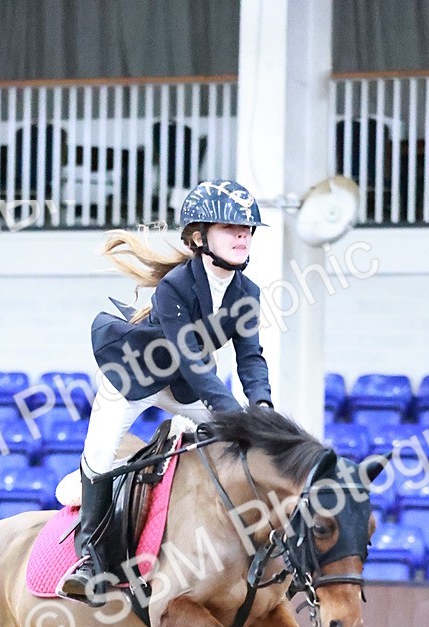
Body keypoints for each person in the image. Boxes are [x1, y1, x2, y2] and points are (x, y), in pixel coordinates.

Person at [58, 178, 274, 600]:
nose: (243, 235)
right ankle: (90, 560)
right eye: (231, 228)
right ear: (199, 237)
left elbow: (250, 357)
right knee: (101, 455)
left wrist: (261, 406)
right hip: (135, 380)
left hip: (185, 390)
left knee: (246, 444)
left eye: (247, 229)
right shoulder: (176, 284)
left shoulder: (248, 293)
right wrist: (233, 412)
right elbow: (191, 359)